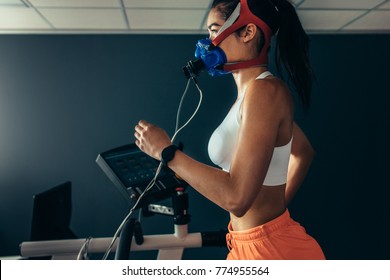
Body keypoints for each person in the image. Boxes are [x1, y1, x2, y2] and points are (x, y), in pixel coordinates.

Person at [134, 0, 325, 260]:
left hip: (273, 251)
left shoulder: (264, 92)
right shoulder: (250, 97)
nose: (208, 42)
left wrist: (166, 153)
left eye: (214, 30)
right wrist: (272, 215)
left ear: (247, 32)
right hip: (245, 244)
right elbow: (303, 152)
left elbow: (237, 197)